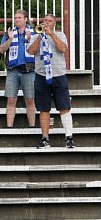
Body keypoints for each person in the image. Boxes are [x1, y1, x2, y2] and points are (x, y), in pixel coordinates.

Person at [27, 14, 75, 149]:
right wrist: (40, 35)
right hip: (41, 75)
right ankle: (45, 138)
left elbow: (63, 49)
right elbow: (30, 51)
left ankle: (69, 137)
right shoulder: (36, 35)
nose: (46, 23)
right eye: (45, 21)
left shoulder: (60, 35)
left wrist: (51, 34)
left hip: (58, 75)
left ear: (54, 23)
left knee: (64, 106)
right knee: (43, 108)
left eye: (49, 21)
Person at [0, 9, 36, 128]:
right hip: (13, 70)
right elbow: (1, 50)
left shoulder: (34, 32)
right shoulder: (9, 32)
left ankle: (32, 126)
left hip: (29, 70)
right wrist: (10, 39)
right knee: (11, 99)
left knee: (30, 100)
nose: (16, 20)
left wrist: (32, 39)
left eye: (19, 18)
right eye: (15, 18)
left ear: (25, 19)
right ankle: (9, 127)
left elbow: (38, 51)